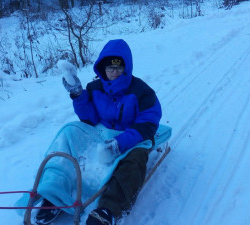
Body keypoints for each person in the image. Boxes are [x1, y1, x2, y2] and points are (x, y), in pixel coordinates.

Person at [35, 39, 162, 225]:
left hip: (131, 137)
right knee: (69, 131)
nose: (114, 72)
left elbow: (147, 124)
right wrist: (78, 95)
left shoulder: (142, 92)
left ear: (126, 68)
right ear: (103, 68)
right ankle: (54, 192)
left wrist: (120, 143)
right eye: (110, 68)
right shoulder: (95, 88)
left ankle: (108, 210)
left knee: (135, 160)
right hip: (101, 133)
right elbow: (90, 119)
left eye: (119, 68)